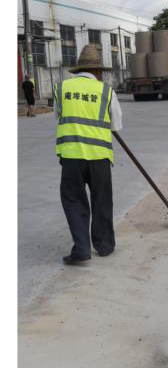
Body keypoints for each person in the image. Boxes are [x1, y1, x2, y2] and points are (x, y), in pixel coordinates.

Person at [56, 43, 122, 265]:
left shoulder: (61, 89)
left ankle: (82, 249)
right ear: (99, 71)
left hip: (71, 158)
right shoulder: (106, 91)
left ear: (78, 70)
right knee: (102, 201)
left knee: (74, 201)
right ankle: (104, 246)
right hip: (99, 158)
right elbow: (116, 125)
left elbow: (60, 116)